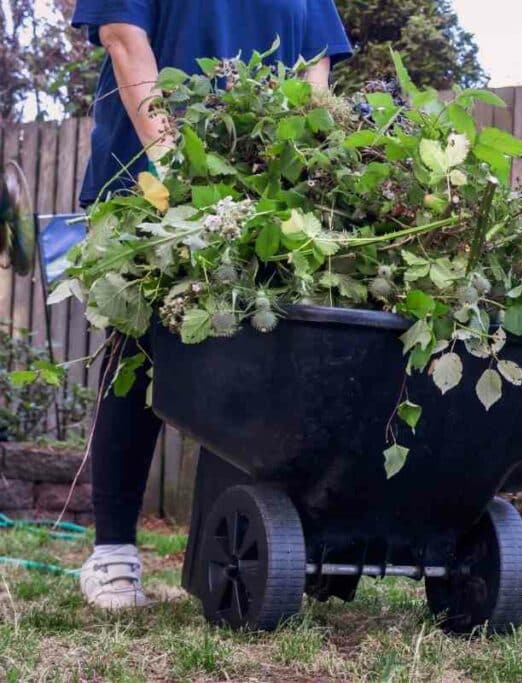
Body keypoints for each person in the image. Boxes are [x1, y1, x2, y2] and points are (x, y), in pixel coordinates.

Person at [70, 0, 352, 610]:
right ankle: (113, 552)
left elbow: (316, 67)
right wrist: (173, 158)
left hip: (262, 190)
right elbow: (123, 36)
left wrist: (303, 164)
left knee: (277, 358)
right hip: (145, 180)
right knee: (141, 352)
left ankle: (269, 545)